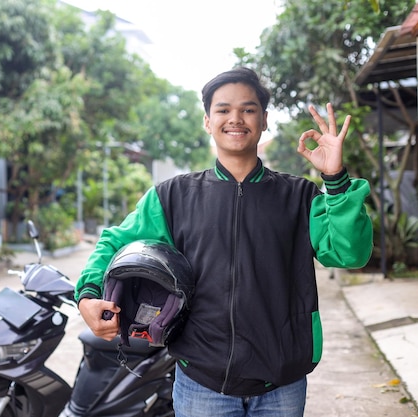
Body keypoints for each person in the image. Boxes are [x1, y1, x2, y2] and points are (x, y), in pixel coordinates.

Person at [74, 67, 373, 417]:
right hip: (202, 382)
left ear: (264, 120)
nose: (236, 118)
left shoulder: (299, 196)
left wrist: (335, 180)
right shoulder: (173, 197)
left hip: (281, 385)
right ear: (207, 120)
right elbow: (115, 242)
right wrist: (89, 295)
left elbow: (350, 253)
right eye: (223, 109)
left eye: (248, 109)